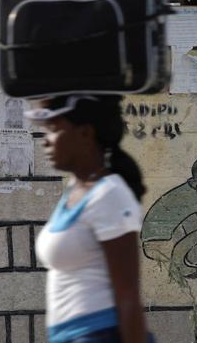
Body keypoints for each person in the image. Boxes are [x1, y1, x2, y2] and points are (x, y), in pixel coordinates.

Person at [26, 95, 153, 343]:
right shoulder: (77, 190)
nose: (46, 142)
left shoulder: (109, 195)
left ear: (85, 134)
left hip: (99, 335)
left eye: (53, 130)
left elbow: (127, 294)